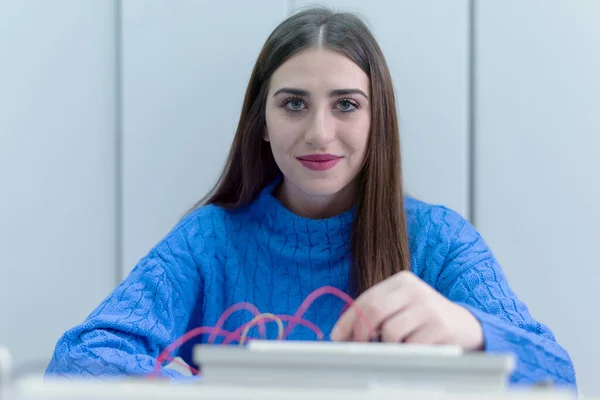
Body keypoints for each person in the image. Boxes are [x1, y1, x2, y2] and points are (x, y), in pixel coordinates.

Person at [45, 6, 575, 387]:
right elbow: (78, 361)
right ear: (263, 125)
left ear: (377, 122)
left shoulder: (440, 241)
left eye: (345, 105)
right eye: (294, 104)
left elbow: (559, 377)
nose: (320, 134)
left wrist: (475, 332)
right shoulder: (209, 240)